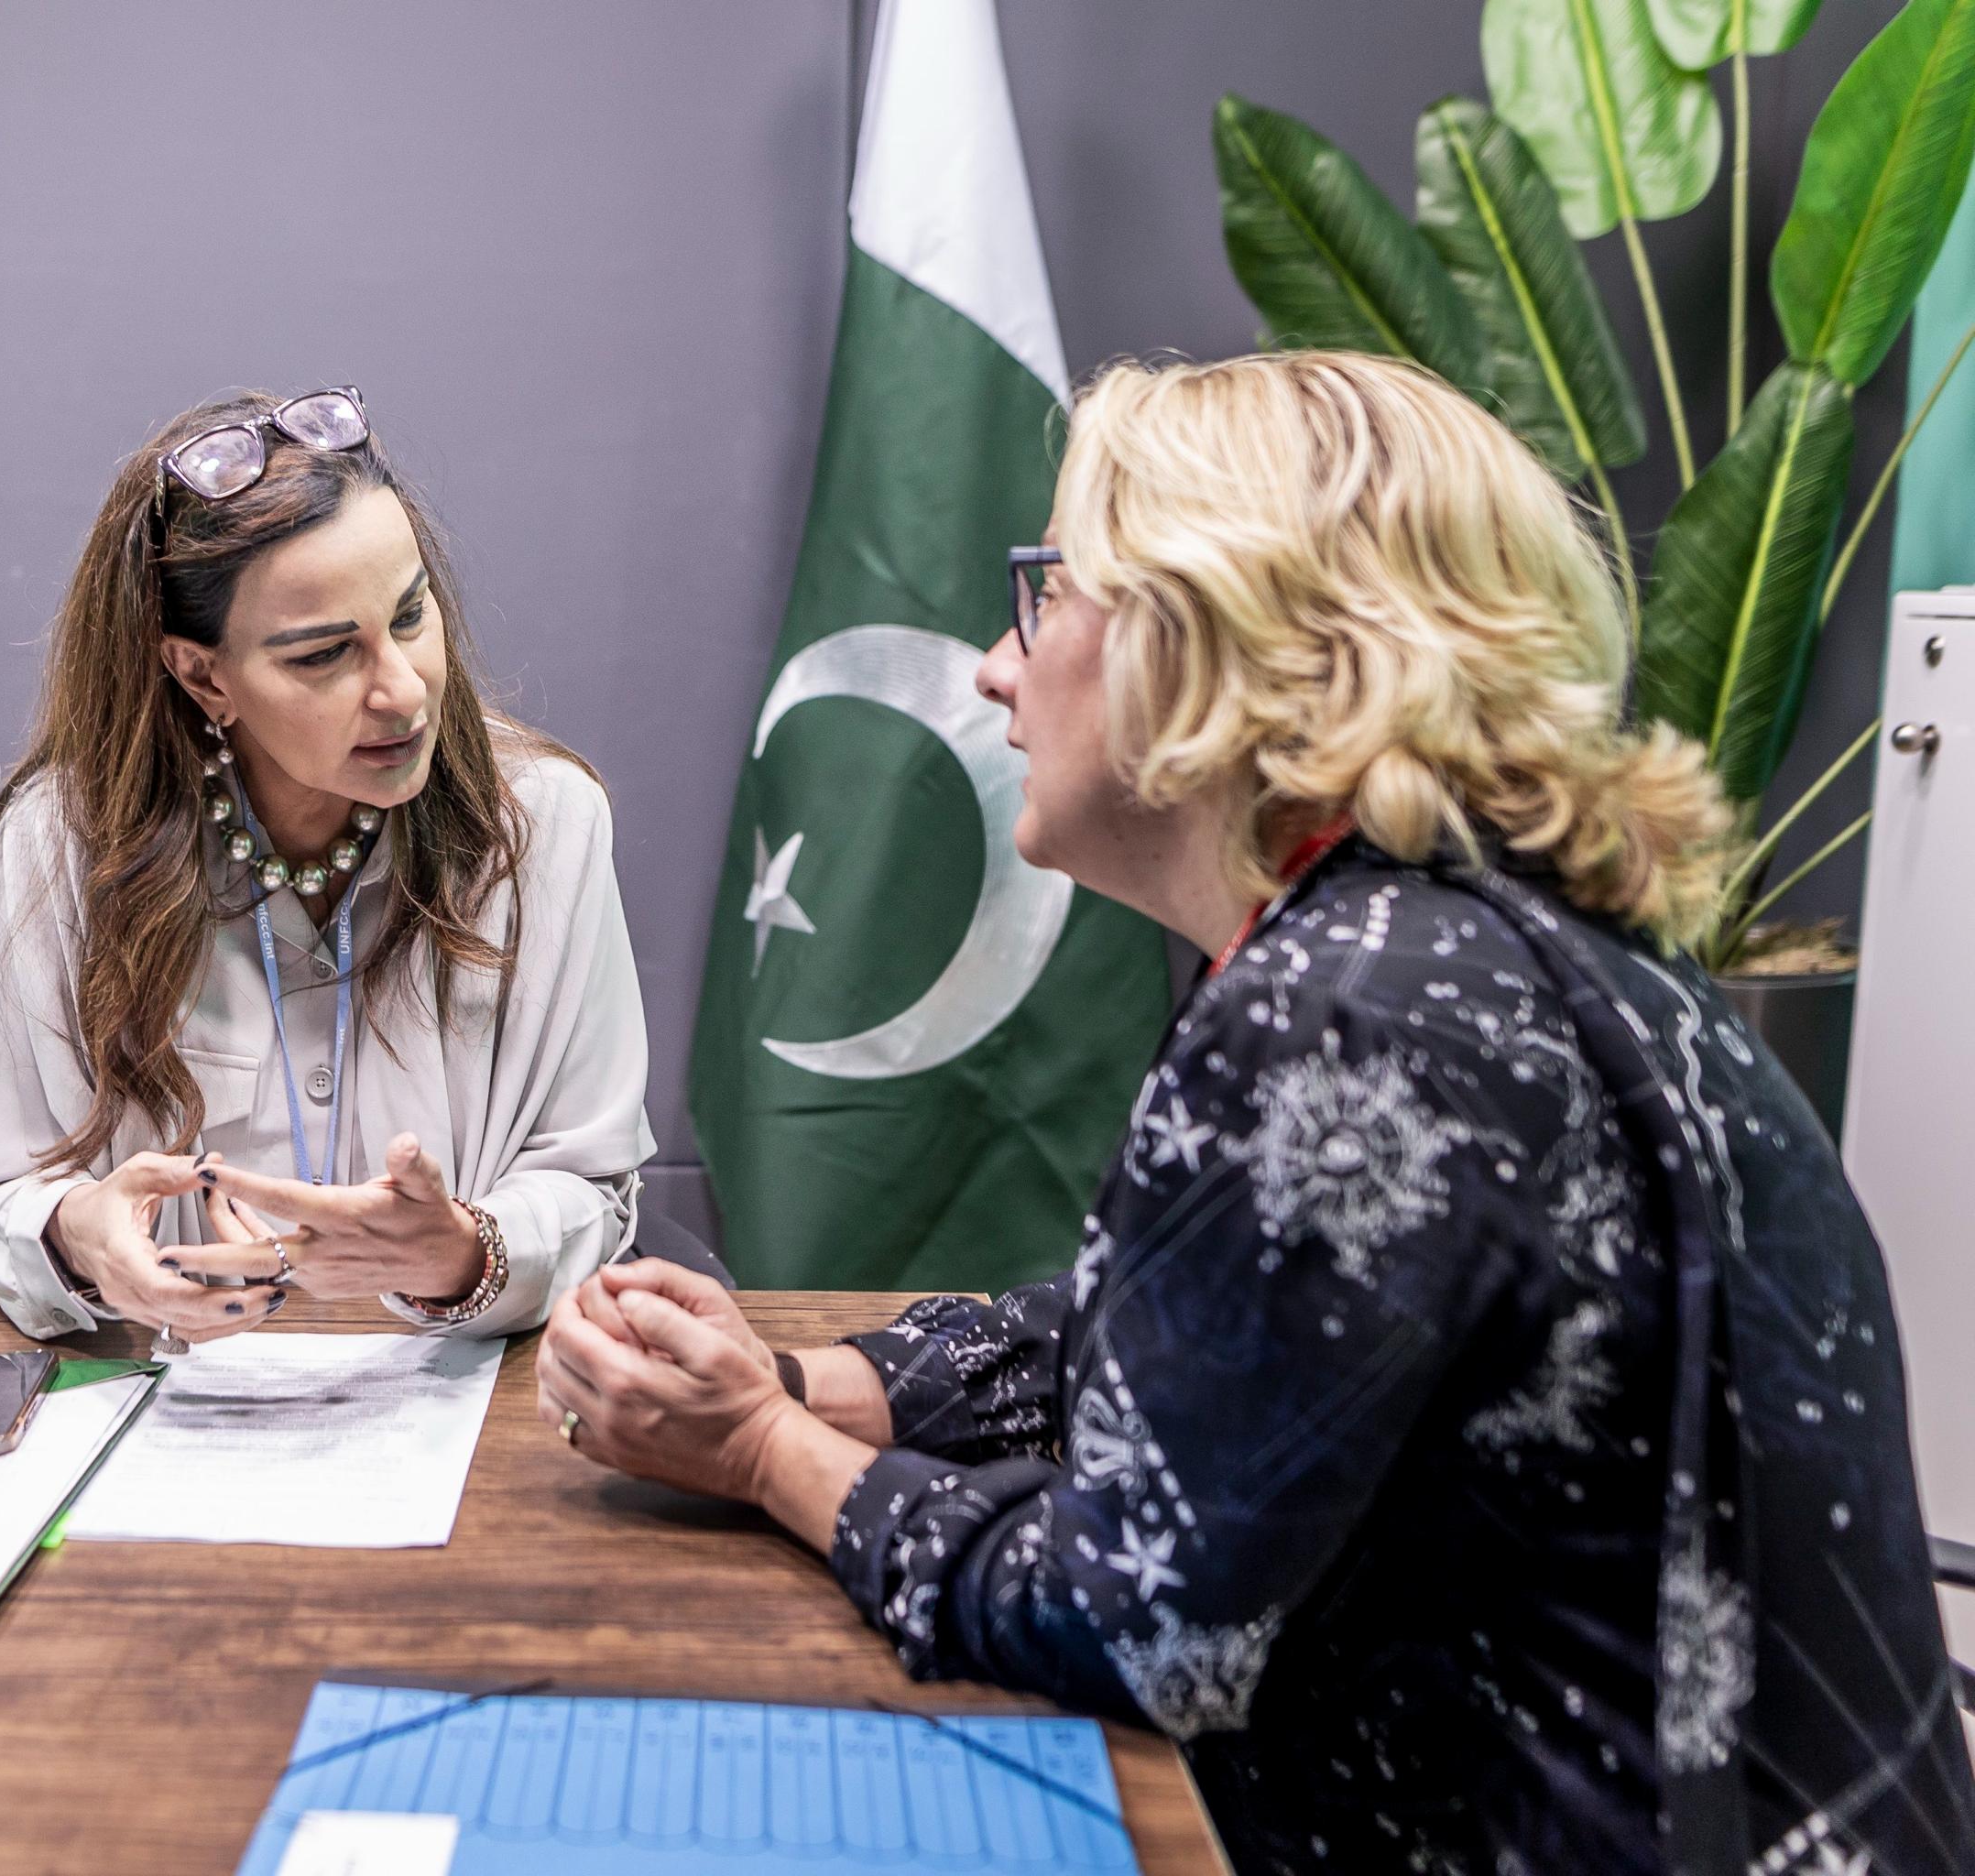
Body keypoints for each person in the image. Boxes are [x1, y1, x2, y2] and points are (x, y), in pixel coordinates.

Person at [539, 354, 1975, 1873]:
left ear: (1208, 634)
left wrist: (764, 1446)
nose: (991, 664)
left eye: (1048, 593)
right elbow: (1204, 1333)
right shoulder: (1476, 940)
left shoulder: (1348, 1012)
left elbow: (1135, 1621)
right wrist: (811, 1381)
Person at [0, 387, 653, 1346]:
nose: (401, 689)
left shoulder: (543, 824)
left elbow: (593, 1186)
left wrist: (462, 1249)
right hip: (147, 1409)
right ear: (204, 675)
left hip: (453, 1416)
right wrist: (77, 1234)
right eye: (324, 655)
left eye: (411, 615)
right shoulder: (61, 842)